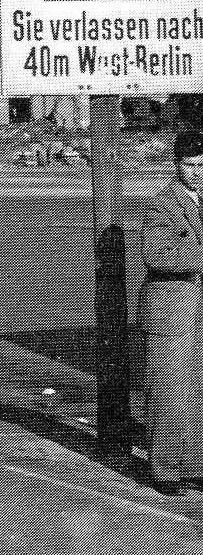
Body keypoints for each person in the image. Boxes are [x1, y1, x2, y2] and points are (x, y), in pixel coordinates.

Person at [141, 129, 203, 496]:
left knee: (196, 390)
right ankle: (164, 468)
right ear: (176, 165)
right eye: (189, 164)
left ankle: (193, 464)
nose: (197, 172)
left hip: (194, 308)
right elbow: (156, 254)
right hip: (171, 308)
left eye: (202, 164)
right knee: (169, 390)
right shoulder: (163, 204)